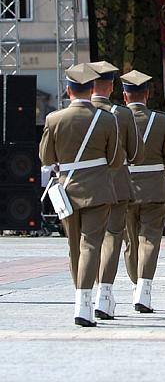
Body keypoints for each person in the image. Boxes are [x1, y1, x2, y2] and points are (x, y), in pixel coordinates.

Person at [39, 64, 121, 327]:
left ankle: (78, 298)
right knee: (91, 245)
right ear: (92, 89)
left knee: (74, 246)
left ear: (67, 90)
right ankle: (86, 303)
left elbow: (46, 157)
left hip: (67, 190)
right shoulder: (107, 119)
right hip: (97, 189)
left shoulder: (54, 119)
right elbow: (116, 159)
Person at [87, 61, 144, 320]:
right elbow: (135, 153)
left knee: (86, 241)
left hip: (84, 188)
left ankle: (83, 297)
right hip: (117, 185)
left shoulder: (74, 113)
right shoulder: (122, 114)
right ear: (111, 87)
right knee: (112, 238)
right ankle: (104, 295)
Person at [121, 70, 165, 313]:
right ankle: (144, 289)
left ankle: (136, 284)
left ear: (125, 96)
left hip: (125, 189)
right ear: (148, 94)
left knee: (130, 243)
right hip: (154, 189)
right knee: (149, 240)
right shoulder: (161, 120)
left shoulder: (117, 119)